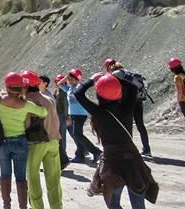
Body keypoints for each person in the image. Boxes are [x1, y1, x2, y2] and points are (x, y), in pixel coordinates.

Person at [76, 73, 159, 208]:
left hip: (112, 163)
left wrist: (92, 80)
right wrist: (114, 76)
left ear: (99, 94)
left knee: (113, 204)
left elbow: (79, 93)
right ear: (119, 92)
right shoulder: (127, 107)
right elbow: (133, 88)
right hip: (132, 160)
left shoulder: (98, 112)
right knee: (138, 204)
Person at [0, 72, 47, 209]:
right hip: (20, 141)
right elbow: (44, 112)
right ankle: (23, 206)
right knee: (21, 177)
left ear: (7, 86)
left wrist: (3, 93)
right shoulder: (26, 104)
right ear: (22, 87)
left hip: (2, 142)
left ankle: (7, 205)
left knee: (5, 175)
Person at [24, 73, 63, 209]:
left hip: (35, 144)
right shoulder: (49, 98)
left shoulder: (25, 101)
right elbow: (56, 121)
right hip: (53, 142)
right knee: (54, 180)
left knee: (33, 178)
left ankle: (37, 207)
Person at [106, 58, 152, 156]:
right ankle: (147, 149)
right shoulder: (129, 73)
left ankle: (127, 150)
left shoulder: (116, 74)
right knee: (140, 125)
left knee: (127, 125)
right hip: (139, 101)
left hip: (129, 102)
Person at [64, 70, 101, 164]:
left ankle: (96, 151)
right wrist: (67, 76)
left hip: (81, 114)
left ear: (77, 80)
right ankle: (80, 155)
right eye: (69, 80)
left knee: (77, 134)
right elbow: (59, 84)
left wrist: (75, 78)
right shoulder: (69, 89)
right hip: (73, 114)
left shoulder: (78, 87)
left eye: (72, 79)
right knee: (76, 135)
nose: (70, 81)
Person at [53, 74, 69, 167]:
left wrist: (67, 117)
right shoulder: (57, 90)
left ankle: (63, 158)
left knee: (62, 136)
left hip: (62, 116)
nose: (56, 83)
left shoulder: (63, 91)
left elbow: (65, 105)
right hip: (56, 116)